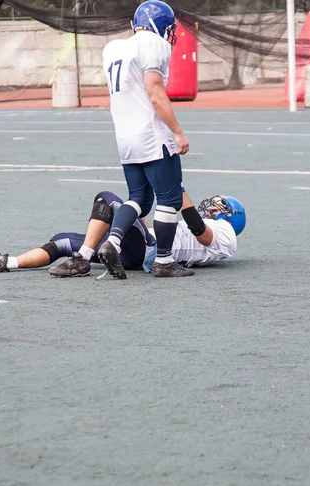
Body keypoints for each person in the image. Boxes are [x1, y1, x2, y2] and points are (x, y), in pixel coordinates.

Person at [98, 0, 193, 279]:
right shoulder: (154, 44)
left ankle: (112, 242)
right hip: (151, 135)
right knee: (170, 197)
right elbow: (155, 92)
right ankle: (164, 260)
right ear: (158, 25)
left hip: (125, 136)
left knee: (138, 198)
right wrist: (177, 131)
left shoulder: (114, 48)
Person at [0, 190, 246, 276]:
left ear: (229, 216)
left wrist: (178, 189)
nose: (211, 206)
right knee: (63, 241)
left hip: (151, 250)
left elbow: (202, 233)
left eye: (218, 206)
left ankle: (92, 255)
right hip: (137, 254)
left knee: (108, 199)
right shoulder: (216, 232)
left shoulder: (225, 234)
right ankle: (6, 262)